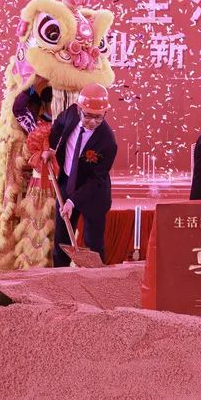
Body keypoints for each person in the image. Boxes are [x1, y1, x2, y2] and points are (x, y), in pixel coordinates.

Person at [45, 83, 117, 266]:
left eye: (98, 117)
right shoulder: (70, 114)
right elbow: (57, 126)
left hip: (93, 193)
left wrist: (72, 201)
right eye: (88, 116)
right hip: (67, 183)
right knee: (61, 241)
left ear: (105, 113)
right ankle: (59, 277)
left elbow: (97, 179)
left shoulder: (108, 141)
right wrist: (51, 148)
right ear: (79, 109)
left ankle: (96, 280)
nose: (92, 122)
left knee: (94, 245)